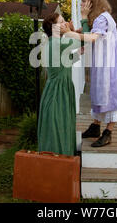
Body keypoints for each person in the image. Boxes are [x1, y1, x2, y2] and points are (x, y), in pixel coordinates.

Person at [61, 0, 117, 147]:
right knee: (99, 93)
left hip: (109, 63)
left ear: (93, 3)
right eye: (82, 1)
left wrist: (74, 28)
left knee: (111, 95)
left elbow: (91, 38)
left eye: (84, 1)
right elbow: (84, 32)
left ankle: (108, 132)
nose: (82, 4)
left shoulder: (102, 19)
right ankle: (95, 126)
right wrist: (72, 29)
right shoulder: (96, 18)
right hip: (102, 62)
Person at [37, 12, 80, 156]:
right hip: (57, 94)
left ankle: (62, 164)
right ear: (54, 27)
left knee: (61, 127)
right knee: (56, 130)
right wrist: (84, 19)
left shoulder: (53, 42)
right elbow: (83, 39)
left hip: (60, 91)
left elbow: (67, 61)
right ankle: (57, 167)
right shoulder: (58, 42)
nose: (66, 24)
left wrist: (78, 52)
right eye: (62, 22)